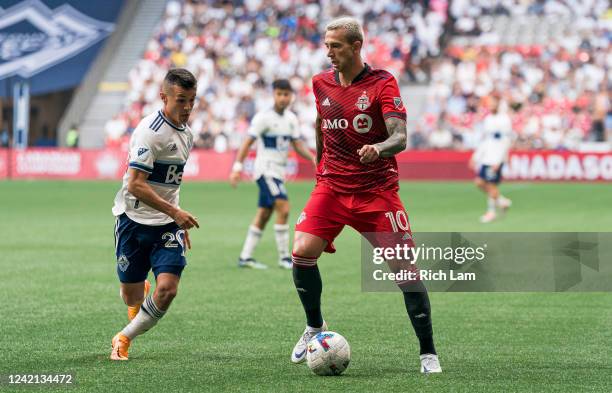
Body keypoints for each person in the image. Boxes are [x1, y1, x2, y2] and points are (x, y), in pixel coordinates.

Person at [289, 17, 441, 374]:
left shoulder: (382, 83)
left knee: (405, 271)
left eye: (335, 46)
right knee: (301, 251)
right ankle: (315, 326)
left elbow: (400, 136)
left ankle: (428, 353)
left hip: (376, 192)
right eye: (326, 45)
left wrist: (380, 147)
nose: (328, 52)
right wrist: (319, 168)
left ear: (356, 46)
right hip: (331, 187)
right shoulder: (320, 83)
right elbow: (320, 125)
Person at [110, 68, 200, 360]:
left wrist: (177, 219)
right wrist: (176, 211)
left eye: (192, 101)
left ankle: (123, 338)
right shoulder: (149, 132)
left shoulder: (187, 135)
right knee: (132, 296)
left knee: (167, 290)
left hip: (165, 226)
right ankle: (138, 290)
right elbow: (135, 185)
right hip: (133, 223)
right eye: (181, 100)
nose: (187, 108)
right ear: (164, 97)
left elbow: (172, 184)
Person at [230, 79, 316, 269]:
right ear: (274, 95)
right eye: (279, 94)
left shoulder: (291, 119)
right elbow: (247, 142)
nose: (283, 98)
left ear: (291, 96)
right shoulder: (263, 118)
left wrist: (313, 159)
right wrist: (237, 168)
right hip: (265, 171)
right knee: (284, 208)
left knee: (264, 214)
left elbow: (297, 144)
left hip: (278, 172)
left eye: (286, 94)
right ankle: (285, 257)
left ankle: (245, 257)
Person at [469, 96, 513, 223]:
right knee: (479, 182)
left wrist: (500, 160)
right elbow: (486, 140)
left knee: (491, 185)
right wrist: (476, 156)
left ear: (499, 104)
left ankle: (491, 212)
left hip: (496, 158)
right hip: (487, 157)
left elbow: (506, 141)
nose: (491, 106)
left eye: (493, 104)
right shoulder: (488, 120)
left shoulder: (504, 120)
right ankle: (502, 201)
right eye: (489, 104)